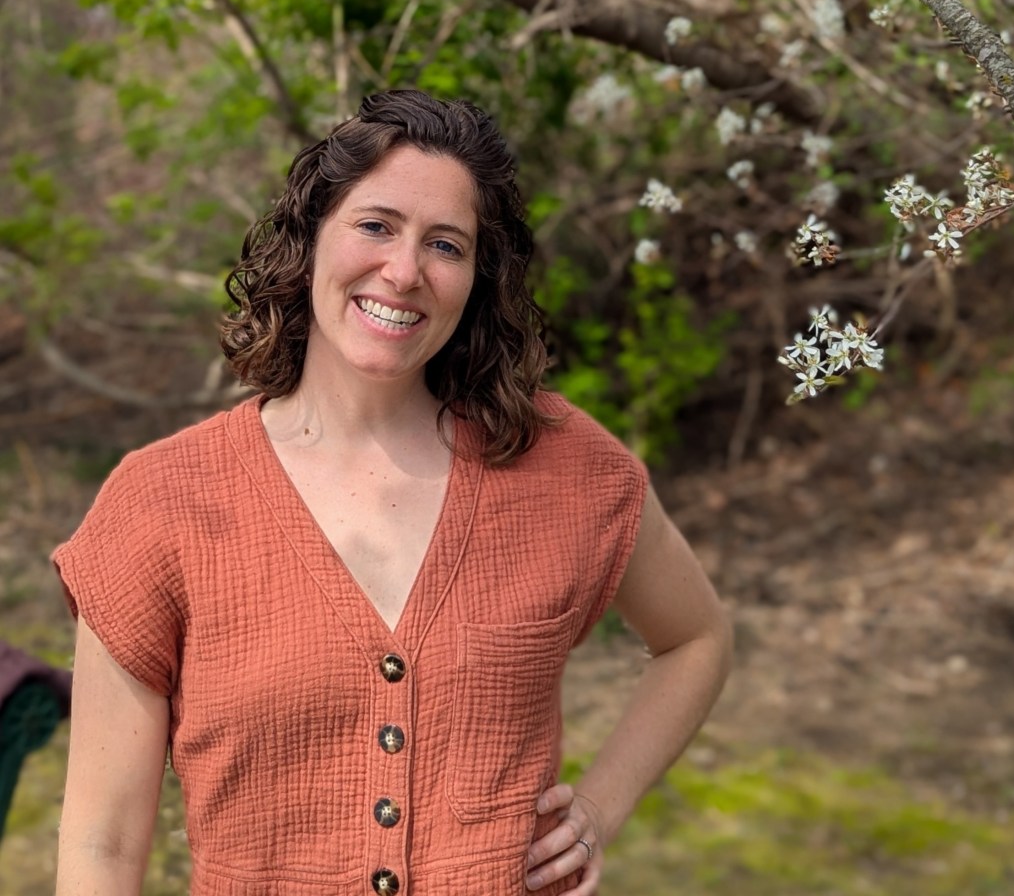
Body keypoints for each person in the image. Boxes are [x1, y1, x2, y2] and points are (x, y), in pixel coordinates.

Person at [52, 89, 732, 895]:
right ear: (309, 241)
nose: (404, 272)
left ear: (478, 278)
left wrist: (600, 808)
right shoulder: (160, 503)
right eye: (375, 226)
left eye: (445, 245)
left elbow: (697, 639)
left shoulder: (567, 469)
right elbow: (102, 840)